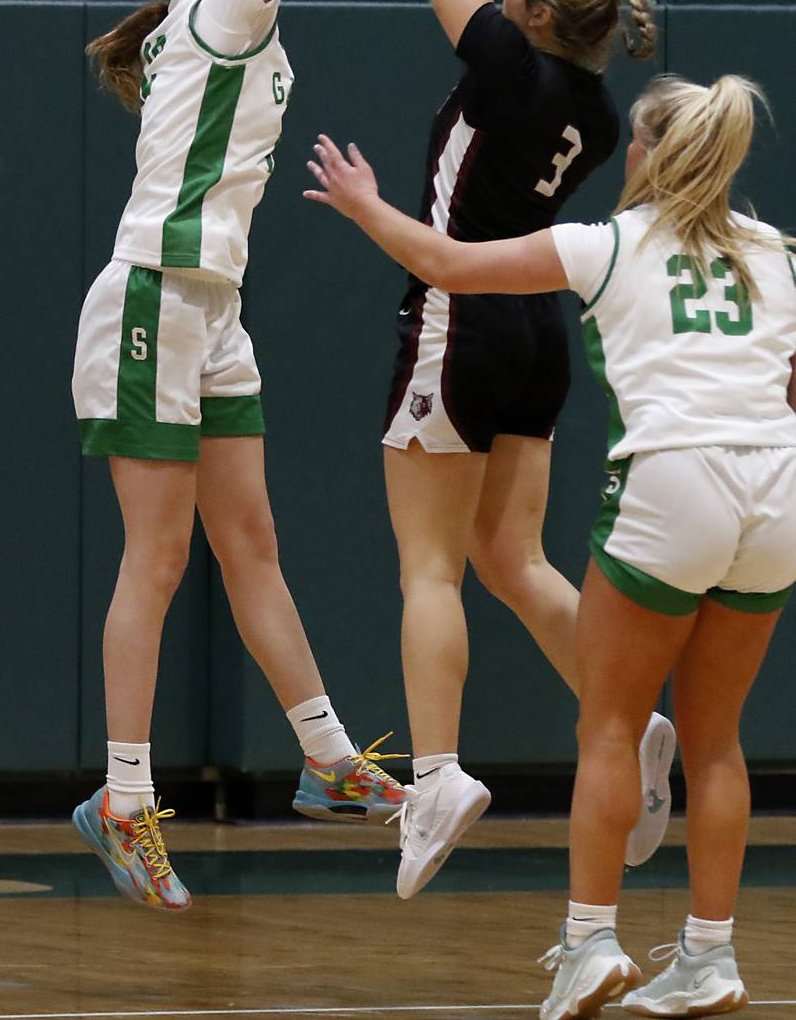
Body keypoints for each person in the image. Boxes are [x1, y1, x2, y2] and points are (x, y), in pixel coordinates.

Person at [70, 0, 493, 912]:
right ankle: (124, 791)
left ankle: (323, 759)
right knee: (156, 559)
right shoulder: (218, 5)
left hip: (215, 306)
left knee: (250, 544)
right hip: (154, 292)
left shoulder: (196, 9)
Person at [305, 73, 796, 1015]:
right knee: (719, 740)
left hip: (676, 476)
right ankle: (711, 956)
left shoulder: (606, 243)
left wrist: (365, 207)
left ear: (647, 153)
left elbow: (448, 264)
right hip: (773, 485)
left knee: (611, 723)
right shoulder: (774, 251)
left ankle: (590, 942)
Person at [312, 0, 666, 899]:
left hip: (457, 317)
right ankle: (626, 712)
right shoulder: (595, 112)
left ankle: (434, 774)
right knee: (513, 560)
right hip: (536, 333)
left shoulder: (509, 65)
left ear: (542, 18)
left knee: (431, 567)